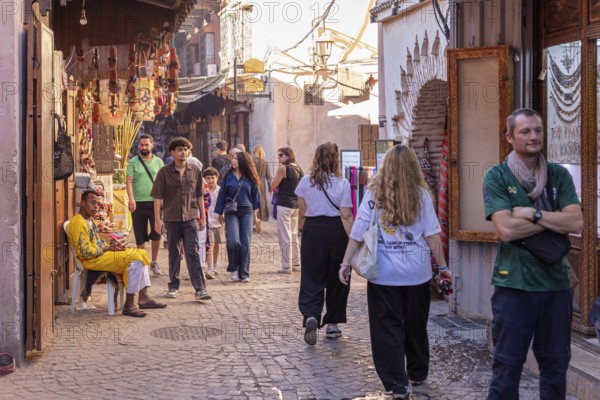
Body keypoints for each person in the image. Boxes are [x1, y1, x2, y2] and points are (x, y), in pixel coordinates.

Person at [482, 108, 583, 399]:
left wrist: (533, 215)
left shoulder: (558, 175)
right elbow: (507, 230)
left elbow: (576, 222)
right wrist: (554, 222)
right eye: (525, 131)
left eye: (537, 130)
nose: (533, 136)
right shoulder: (497, 176)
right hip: (514, 285)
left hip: (555, 285)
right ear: (510, 137)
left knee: (555, 367)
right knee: (507, 367)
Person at [338, 145, 450, 398]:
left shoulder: (374, 194)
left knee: (386, 328)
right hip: (417, 275)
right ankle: (418, 372)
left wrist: (345, 263)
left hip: (383, 276)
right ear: (413, 167)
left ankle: (397, 384)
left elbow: (358, 231)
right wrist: (443, 267)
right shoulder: (421, 194)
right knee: (416, 325)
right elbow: (432, 235)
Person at [66, 190, 167, 318]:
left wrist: (113, 246)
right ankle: (129, 305)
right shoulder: (78, 223)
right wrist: (107, 248)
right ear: (82, 203)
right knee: (136, 259)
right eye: (92, 203)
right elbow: (85, 252)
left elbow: (96, 243)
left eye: (98, 204)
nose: (96, 207)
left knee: (140, 253)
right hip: (91, 260)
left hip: (99, 256)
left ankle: (143, 297)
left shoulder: (89, 220)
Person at [295, 142, 354, 345]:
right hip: (337, 231)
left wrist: (301, 232)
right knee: (339, 277)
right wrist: (354, 242)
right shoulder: (342, 182)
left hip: (313, 230)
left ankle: (311, 314)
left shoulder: (304, 182)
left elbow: (302, 213)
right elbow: (346, 215)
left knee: (312, 275)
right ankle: (333, 324)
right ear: (335, 160)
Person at [150, 137, 212, 301]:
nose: (183, 152)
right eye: (179, 149)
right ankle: (173, 286)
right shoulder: (164, 172)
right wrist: (158, 220)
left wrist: (203, 217)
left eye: (185, 149)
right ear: (172, 152)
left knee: (193, 252)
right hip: (171, 218)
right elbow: (157, 197)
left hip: (190, 218)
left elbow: (199, 195)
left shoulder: (196, 171)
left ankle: (200, 288)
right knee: (174, 253)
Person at [214, 151, 261, 283]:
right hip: (231, 211)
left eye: (236, 159)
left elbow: (255, 199)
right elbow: (222, 196)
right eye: (233, 158)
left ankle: (244, 273)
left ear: (243, 162)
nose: (233, 161)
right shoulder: (228, 176)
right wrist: (219, 213)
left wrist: (256, 218)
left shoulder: (250, 178)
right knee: (233, 240)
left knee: (245, 243)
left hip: (247, 211)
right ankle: (234, 268)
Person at [126, 134, 165, 276]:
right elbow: (129, 182)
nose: (144, 147)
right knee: (139, 234)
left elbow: (163, 182)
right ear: (139, 146)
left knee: (157, 232)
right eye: (141, 145)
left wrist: (164, 200)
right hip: (138, 203)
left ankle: (154, 261)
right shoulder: (133, 162)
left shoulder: (159, 162)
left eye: (146, 145)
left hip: (155, 202)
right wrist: (131, 199)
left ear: (152, 145)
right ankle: (142, 263)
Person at [270, 147, 303, 274]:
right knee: (294, 234)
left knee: (284, 235)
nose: (278, 157)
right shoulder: (298, 168)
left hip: (284, 204)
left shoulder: (283, 168)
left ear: (288, 156)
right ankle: (296, 263)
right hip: (295, 205)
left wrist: (271, 182)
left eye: (281, 155)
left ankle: (286, 266)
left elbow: (273, 186)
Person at [203, 167, 223, 279]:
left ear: (217, 178)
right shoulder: (203, 190)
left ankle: (214, 265)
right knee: (210, 244)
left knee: (217, 245)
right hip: (206, 222)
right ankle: (209, 268)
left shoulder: (220, 191)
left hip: (217, 222)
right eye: (208, 178)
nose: (210, 180)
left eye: (213, 178)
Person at [252, 144, 272, 233]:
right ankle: (259, 218)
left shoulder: (252, 161)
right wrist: (270, 189)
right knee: (262, 202)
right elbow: (269, 177)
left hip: (253, 183)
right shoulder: (265, 162)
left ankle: (255, 219)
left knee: (253, 201)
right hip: (262, 184)